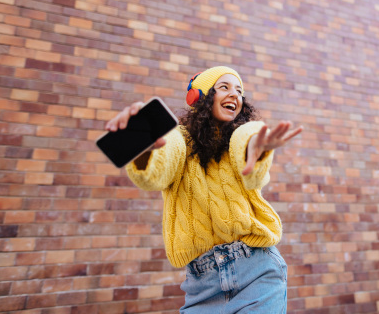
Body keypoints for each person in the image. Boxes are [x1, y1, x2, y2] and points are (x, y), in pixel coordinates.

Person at [104, 66, 302, 313]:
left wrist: (256, 148)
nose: (235, 95)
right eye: (224, 87)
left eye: (239, 91)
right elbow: (157, 172)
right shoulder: (179, 138)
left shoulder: (240, 134)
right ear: (199, 96)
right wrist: (145, 150)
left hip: (257, 270)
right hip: (202, 285)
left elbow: (248, 139)